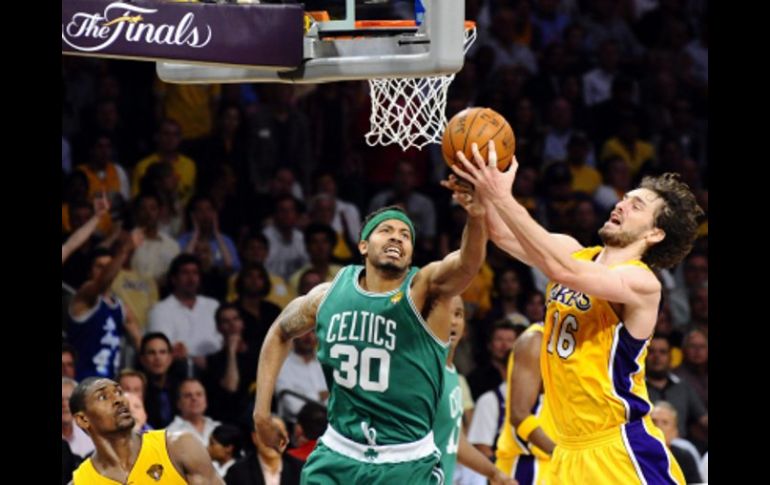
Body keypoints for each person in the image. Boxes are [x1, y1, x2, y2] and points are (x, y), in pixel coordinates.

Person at [446, 141, 702, 484]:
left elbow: (563, 271)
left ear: (655, 232)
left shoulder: (642, 282)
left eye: (636, 205)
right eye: (624, 198)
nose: (621, 204)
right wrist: (479, 197)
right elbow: (501, 235)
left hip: (620, 449)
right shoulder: (573, 251)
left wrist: (503, 196)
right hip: (566, 451)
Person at [254, 193, 488, 484]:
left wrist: (476, 216)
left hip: (404, 460)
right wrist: (261, 413)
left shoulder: (425, 292)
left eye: (405, 235)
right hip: (338, 452)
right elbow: (279, 332)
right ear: (363, 245)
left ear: (411, 253)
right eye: (385, 230)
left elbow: (467, 263)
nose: (396, 238)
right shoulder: (327, 296)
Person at [69, 377, 223, 484]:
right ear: (83, 420)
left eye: (118, 392)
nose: (118, 400)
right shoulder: (82, 481)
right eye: (102, 397)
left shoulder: (178, 447)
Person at [434, 296, 516, 485]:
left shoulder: (453, 375)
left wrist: (495, 474)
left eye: (458, 314)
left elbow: (456, 441)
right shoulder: (419, 372)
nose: (453, 320)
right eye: (445, 313)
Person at [495, 322, 556, 484]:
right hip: (528, 465)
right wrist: (559, 453)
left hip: (559, 465)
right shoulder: (535, 340)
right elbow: (519, 414)